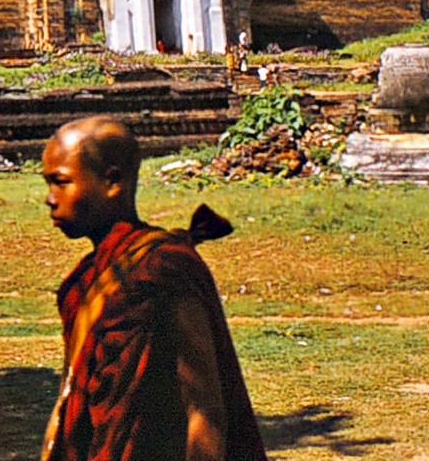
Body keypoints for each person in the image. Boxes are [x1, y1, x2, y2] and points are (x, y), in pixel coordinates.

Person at [40, 116, 266, 461]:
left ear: (112, 181)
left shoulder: (164, 268)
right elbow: (69, 398)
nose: (50, 199)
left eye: (61, 182)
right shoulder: (84, 280)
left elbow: (204, 408)